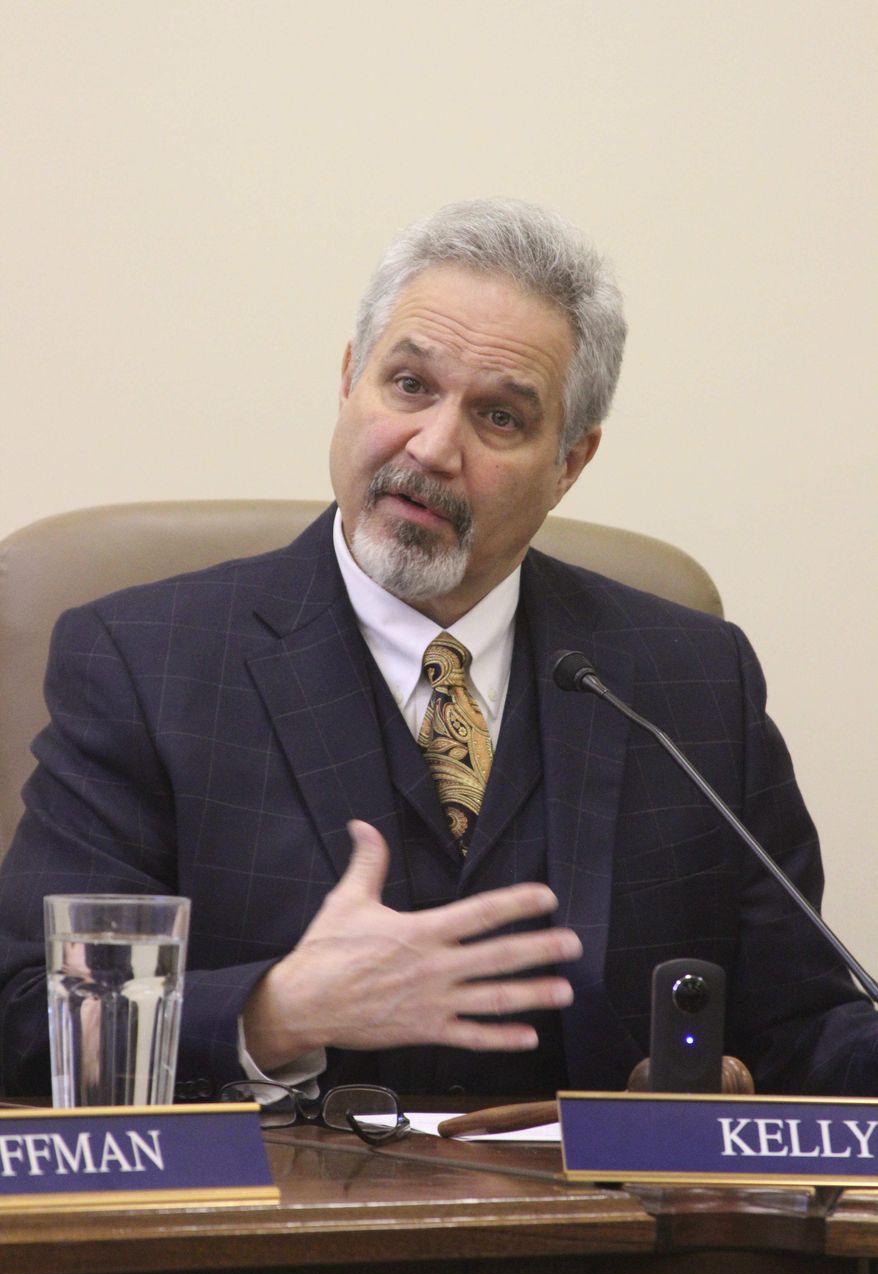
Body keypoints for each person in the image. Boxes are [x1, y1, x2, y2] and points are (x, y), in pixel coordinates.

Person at [1, 199, 876, 1101]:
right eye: (410, 385)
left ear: (570, 462)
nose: (431, 446)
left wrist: (733, 1073)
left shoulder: (690, 683)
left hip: (599, 1230)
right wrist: (278, 1010)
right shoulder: (146, 663)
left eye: (499, 417)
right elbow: (26, 1016)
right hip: (274, 1230)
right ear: (349, 379)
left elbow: (802, 1024)